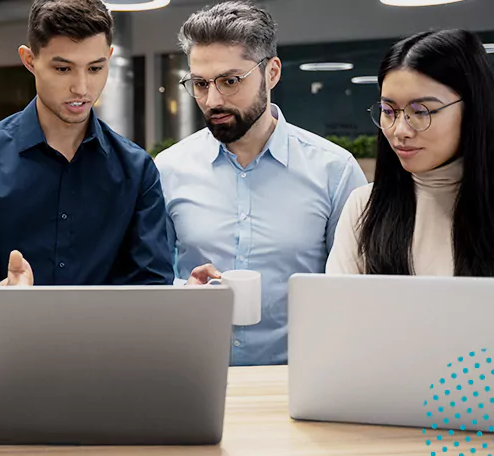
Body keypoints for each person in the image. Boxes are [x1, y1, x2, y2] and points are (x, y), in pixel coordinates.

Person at [154, 0, 367, 366]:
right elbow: (149, 280)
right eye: (200, 84)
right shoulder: (168, 169)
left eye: (230, 81)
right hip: (193, 373)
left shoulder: (335, 171)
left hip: (302, 378)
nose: (212, 100)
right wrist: (182, 292)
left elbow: (360, 292)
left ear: (271, 72)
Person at [0, 0, 172, 287]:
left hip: (108, 332)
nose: (82, 88)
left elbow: (152, 285)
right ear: (29, 60)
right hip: (7, 329)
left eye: (95, 68)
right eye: (63, 69)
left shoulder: (137, 170)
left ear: (109, 58)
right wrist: (2, 295)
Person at [326, 29, 494, 278]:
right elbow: (341, 311)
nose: (400, 130)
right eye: (388, 110)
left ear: (473, 110)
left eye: (423, 111)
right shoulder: (364, 206)